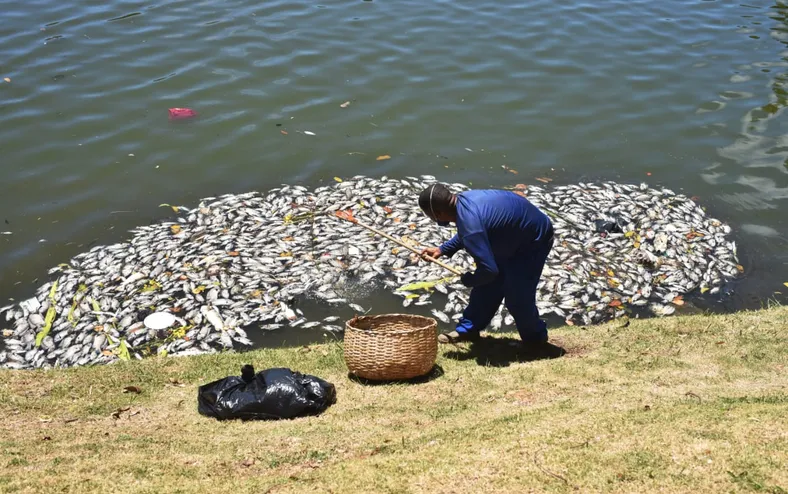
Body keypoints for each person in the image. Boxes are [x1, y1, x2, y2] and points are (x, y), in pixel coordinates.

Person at [418, 183, 554, 345]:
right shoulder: (464, 200)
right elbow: (471, 230)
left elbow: (489, 270)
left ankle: (536, 341)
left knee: (517, 297)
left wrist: (470, 279)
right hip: (512, 234)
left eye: (429, 215)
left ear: (438, 213)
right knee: (486, 287)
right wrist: (442, 249)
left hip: (533, 240)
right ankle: (468, 330)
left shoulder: (470, 222)